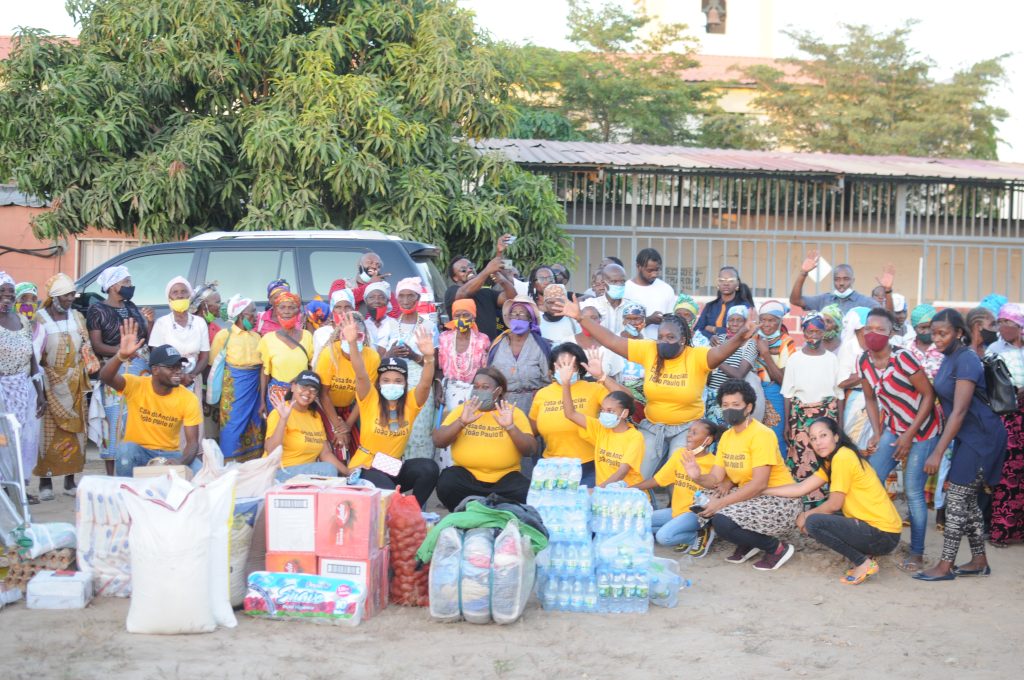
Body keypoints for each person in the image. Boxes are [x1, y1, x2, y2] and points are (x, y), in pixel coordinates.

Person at [559, 297, 758, 479]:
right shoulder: (649, 350)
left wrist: (741, 335)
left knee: (679, 477)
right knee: (638, 474)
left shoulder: (697, 356)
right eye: (661, 337)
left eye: (670, 338)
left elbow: (722, 351)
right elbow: (612, 340)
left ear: (682, 340)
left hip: (687, 428)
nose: (663, 342)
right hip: (653, 426)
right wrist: (580, 318)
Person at [915, 309, 1008, 581]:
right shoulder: (949, 357)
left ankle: (945, 565)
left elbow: (960, 410)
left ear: (958, 332)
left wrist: (938, 452)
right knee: (967, 503)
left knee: (956, 499)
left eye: (942, 333)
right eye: (933, 333)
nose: (937, 338)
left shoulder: (966, 360)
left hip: (982, 438)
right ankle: (979, 560)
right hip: (967, 438)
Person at [766, 418, 902, 584]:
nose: (818, 442)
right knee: (819, 517)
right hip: (882, 531)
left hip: (882, 535)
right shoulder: (834, 459)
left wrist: (806, 515)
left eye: (823, 435)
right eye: (814, 438)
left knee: (814, 522)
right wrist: (763, 489)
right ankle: (866, 553)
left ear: (836, 437)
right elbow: (800, 488)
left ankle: (863, 562)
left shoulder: (843, 457)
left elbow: (834, 505)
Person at [683, 379, 800, 571]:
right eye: (725, 405)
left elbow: (759, 484)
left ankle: (777, 549)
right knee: (702, 505)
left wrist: (720, 503)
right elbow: (715, 479)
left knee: (722, 520)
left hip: (778, 499)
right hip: (752, 496)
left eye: (736, 405)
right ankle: (750, 542)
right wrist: (697, 476)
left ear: (749, 407)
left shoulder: (762, 435)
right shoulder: (727, 437)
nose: (730, 410)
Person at [860, 308, 939, 572]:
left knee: (914, 491)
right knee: (871, 479)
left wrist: (909, 435)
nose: (873, 333)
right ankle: (875, 538)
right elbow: (870, 398)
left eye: (880, 329)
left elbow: (928, 396)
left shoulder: (903, 358)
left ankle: (916, 552)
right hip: (894, 427)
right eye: (869, 328)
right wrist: (877, 431)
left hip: (923, 429)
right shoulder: (864, 361)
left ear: (891, 333)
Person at [338, 314, 439, 507]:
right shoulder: (370, 398)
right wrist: (352, 344)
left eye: (398, 381)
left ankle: (411, 512)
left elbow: (425, 384)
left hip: (391, 466)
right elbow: (360, 374)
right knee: (390, 496)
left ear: (405, 383)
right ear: (379, 382)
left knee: (429, 468)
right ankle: (396, 510)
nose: (392, 384)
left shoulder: (410, 401)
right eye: (386, 380)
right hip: (366, 465)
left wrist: (428, 358)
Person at [99, 321, 202, 476]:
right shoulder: (136, 384)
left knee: (198, 469)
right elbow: (106, 377)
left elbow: (193, 444)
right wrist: (120, 356)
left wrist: (181, 462)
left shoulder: (188, 398)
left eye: (179, 367)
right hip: (139, 452)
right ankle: (128, 493)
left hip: (170, 454)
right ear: (155, 370)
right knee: (125, 449)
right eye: (171, 367)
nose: (178, 372)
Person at [433, 367, 535, 510]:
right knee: (447, 483)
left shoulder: (512, 413)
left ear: (498, 391)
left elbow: (529, 450)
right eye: (476, 387)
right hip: (466, 478)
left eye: (485, 387)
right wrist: (461, 422)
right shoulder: (464, 409)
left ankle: (490, 509)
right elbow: (438, 441)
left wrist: (511, 427)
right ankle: (471, 510)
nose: (479, 391)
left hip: (504, 480)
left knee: (526, 491)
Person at [86, 265, 153, 475]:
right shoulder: (98, 310)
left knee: (137, 419)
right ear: (114, 286)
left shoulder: (131, 306)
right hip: (114, 368)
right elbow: (97, 345)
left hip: (140, 369)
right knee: (114, 423)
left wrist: (149, 323)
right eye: (126, 283)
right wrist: (122, 352)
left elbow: (145, 339)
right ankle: (113, 476)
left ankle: (136, 469)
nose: (130, 287)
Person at [31, 274, 88, 499]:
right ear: (54, 297)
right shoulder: (39, 319)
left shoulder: (77, 317)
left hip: (74, 381)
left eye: (72, 294)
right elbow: (34, 352)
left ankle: (70, 482)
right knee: (48, 433)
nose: (70, 299)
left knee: (75, 434)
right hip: (49, 382)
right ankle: (45, 483)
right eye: (66, 295)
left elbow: (85, 345)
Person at [530, 344, 613, 486]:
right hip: (551, 466)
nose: (566, 371)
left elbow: (625, 401)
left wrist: (602, 376)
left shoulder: (594, 389)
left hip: (588, 465)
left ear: (580, 367)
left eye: (571, 366)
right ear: (552, 368)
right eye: (561, 366)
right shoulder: (542, 394)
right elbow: (531, 430)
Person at [781, 313, 843, 498]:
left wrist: (839, 422)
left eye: (817, 331)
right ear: (803, 332)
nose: (813, 336)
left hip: (827, 418)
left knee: (826, 458)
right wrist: (787, 424)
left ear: (824, 332)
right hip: (800, 419)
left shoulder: (832, 359)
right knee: (802, 459)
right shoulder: (795, 359)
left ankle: (826, 503)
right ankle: (803, 503)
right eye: (809, 331)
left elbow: (839, 394)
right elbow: (788, 394)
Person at [634, 419, 720, 552]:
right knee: (638, 524)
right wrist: (630, 488)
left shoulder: (714, 463)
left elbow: (717, 489)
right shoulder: (680, 454)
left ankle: (696, 536)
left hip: (695, 515)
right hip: (676, 511)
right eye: (689, 431)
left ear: (707, 440)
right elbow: (657, 480)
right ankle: (677, 531)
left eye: (694, 433)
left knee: (663, 537)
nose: (688, 435)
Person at [555, 362, 643, 488]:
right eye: (602, 410)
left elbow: (622, 471)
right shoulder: (600, 428)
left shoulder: (635, 437)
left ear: (625, 413)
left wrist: (598, 489)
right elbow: (570, 414)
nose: (605, 413)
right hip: (603, 497)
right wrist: (565, 384)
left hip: (626, 497)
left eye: (610, 411)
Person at [378, 277, 438, 461]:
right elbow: (378, 361)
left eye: (410, 296)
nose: (405, 301)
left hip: (421, 384)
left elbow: (433, 364)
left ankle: (419, 470)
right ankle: (393, 476)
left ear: (418, 298)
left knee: (419, 429)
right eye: (401, 296)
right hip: (393, 386)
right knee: (393, 428)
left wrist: (413, 355)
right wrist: (391, 352)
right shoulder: (389, 325)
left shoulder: (428, 326)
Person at [0, 272, 45, 502]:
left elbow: (33, 359)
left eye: (10, 294)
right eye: (2, 293)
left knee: (19, 443)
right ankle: (5, 492)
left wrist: (40, 393)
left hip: (23, 389)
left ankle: (18, 488)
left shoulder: (23, 320)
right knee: (2, 442)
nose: (6, 298)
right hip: (2, 392)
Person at [148, 277, 210, 434]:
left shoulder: (199, 322)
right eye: (175, 292)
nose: (180, 295)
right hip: (168, 380)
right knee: (170, 424)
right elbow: (156, 356)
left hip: (193, 379)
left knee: (192, 423)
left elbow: (204, 356)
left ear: (190, 296)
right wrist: (175, 376)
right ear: (169, 298)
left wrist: (191, 375)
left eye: (184, 292)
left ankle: (192, 455)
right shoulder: (162, 323)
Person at [265, 370, 348, 482]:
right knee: (328, 470)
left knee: (329, 473)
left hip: (303, 476)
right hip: (278, 473)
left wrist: (348, 472)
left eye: (313, 390)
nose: (308, 393)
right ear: (293, 387)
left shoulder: (315, 416)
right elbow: (271, 451)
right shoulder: (279, 413)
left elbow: (325, 453)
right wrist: (283, 419)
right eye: (303, 387)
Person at [437, 299, 492, 467]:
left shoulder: (482, 340)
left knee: (470, 433)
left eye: (466, 315)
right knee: (449, 432)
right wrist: (438, 389)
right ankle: (447, 470)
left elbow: (485, 369)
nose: (462, 319)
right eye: (457, 315)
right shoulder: (444, 338)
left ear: (473, 317)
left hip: (473, 393)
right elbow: (438, 367)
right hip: (449, 393)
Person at [210, 295, 264, 460]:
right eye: (252, 312)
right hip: (235, 387)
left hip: (254, 386)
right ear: (241, 315)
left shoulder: (257, 337)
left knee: (255, 422)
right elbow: (213, 363)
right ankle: (229, 461)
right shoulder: (224, 336)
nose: (256, 315)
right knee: (232, 423)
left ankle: (252, 461)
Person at [988, 302, 1024, 547]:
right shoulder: (994, 348)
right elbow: (990, 382)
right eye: (1001, 322)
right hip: (1008, 415)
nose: (1003, 327)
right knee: (1008, 471)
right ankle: (1001, 532)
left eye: (1009, 323)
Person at [445, 236, 518, 340]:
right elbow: (465, 292)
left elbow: (511, 298)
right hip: (464, 351)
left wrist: (499, 254)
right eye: (463, 270)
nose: (469, 270)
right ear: (455, 278)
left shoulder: (487, 292)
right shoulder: (452, 291)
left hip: (489, 349)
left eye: (471, 266)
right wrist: (487, 270)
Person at [487, 296, 551, 414]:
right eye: (513, 314)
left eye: (522, 314)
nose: (517, 317)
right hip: (503, 406)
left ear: (530, 318)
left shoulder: (540, 345)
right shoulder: (498, 344)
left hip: (533, 406)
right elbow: (490, 376)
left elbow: (548, 379)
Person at [257, 289, 312, 417]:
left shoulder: (307, 337)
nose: (287, 311)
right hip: (276, 397)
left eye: (291, 307)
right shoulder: (268, 339)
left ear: (297, 311)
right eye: (282, 307)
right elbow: (265, 373)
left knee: (298, 432)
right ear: (276, 311)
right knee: (278, 431)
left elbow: (311, 367)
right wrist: (262, 402)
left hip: (301, 395)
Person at [705, 305, 762, 424]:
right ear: (727, 322)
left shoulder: (750, 344)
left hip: (731, 401)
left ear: (745, 323)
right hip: (710, 397)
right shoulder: (718, 339)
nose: (735, 323)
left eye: (739, 320)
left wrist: (716, 358)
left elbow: (739, 375)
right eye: (731, 320)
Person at [789, 249, 892, 314]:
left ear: (853, 280)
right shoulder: (824, 300)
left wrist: (887, 291)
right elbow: (795, 300)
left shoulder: (864, 302)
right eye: (837, 279)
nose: (841, 283)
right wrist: (803, 273)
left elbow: (888, 316)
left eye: (846, 279)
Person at [754, 300, 796, 452]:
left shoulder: (786, 343)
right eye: (763, 320)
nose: (766, 324)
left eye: (771, 320)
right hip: (753, 395)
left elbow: (784, 380)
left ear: (780, 321)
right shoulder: (753, 340)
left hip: (776, 397)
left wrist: (765, 353)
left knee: (775, 440)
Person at [837, 307, 873, 449]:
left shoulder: (874, 345)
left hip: (876, 401)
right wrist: (866, 371)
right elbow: (842, 381)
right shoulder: (849, 348)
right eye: (868, 327)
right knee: (855, 442)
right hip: (857, 401)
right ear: (859, 328)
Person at [694, 266, 756, 341]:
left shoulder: (745, 307)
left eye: (731, 280)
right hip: (708, 347)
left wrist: (714, 329)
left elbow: (745, 331)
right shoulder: (710, 306)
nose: (726, 283)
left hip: (735, 348)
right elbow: (698, 330)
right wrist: (711, 337)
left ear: (737, 284)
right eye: (722, 280)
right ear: (718, 284)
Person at [624, 249, 676, 333]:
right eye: (650, 270)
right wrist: (648, 320)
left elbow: (672, 322)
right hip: (632, 344)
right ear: (638, 267)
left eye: (657, 270)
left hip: (659, 344)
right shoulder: (626, 289)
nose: (654, 274)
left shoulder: (666, 289)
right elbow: (623, 325)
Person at [576, 301, 624, 380]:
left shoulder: (610, 345)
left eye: (593, 318)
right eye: (584, 318)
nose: (589, 322)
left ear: (600, 319)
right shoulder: (568, 343)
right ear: (578, 320)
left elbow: (614, 378)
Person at [312, 287, 357, 365]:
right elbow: (316, 362)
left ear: (353, 309)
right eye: (338, 307)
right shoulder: (321, 333)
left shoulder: (359, 331)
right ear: (332, 310)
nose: (343, 311)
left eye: (347, 307)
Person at [906, 304, 943, 380]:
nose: (928, 331)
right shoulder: (906, 349)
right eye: (923, 327)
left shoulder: (943, 347)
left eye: (931, 327)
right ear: (914, 328)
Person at [362, 281, 398, 346]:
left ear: (387, 301)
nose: (376, 301)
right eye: (371, 297)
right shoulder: (362, 326)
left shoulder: (395, 325)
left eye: (381, 297)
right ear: (366, 301)